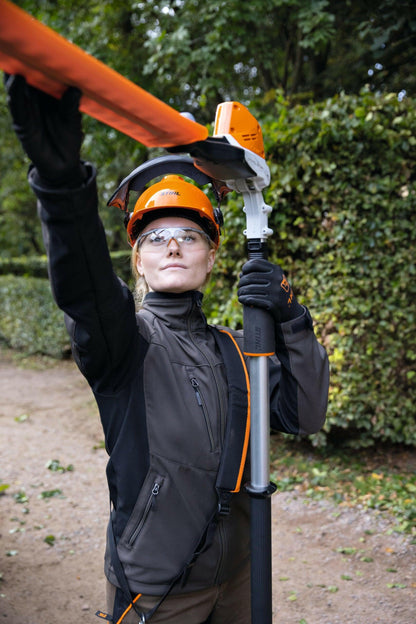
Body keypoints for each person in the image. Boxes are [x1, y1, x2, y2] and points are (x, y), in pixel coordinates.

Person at [4, 74, 329, 624]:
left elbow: (306, 415)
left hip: (241, 578)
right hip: (158, 589)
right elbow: (84, 288)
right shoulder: (124, 344)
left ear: (211, 258)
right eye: (155, 236)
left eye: (190, 234)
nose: (173, 242)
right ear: (139, 261)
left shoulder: (237, 349)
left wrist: (292, 317)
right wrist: (63, 188)